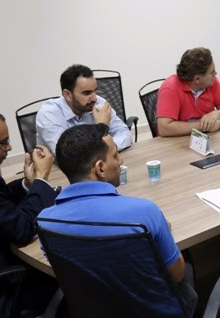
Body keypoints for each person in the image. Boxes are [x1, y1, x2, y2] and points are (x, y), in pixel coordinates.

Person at [37, 124, 198, 317]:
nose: (121, 160)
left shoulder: (45, 221)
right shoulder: (145, 212)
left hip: (95, 310)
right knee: (186, 263)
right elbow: (177, 274)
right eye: (115, 155)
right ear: (100, 168)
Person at [0, 105, 59, 317]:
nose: (9, 147)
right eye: (3, 142)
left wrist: (28, 185)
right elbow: (22, 229)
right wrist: (41, 180)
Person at [36, 64, 133, 157]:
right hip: (58, 172)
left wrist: (110, 147)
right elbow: (68, 155)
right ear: (67, 95)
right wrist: (101, 127)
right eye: (87, 93)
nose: (94, 98)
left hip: (96, 166)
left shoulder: (98, 103)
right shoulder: (49, 114)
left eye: (95, 90)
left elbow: (124, 133)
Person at [156, 47, 220, 136]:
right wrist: (204, 126)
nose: (215, 74)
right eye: (212, 72)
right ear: (197, 79)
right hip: (176, 143)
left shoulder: (211, 81)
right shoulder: (170, 88)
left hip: (205, 139)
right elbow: (164, 128)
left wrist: (215, 114)